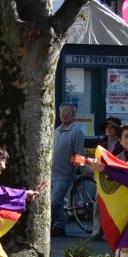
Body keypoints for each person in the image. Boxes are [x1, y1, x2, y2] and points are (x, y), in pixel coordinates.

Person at [50, 102, 86, 238]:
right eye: (62, 112)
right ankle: (59, 226)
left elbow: (79, 152)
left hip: (65, 174)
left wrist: (80, 169)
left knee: (54, 201)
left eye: (68, 112)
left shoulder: (76, 131)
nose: (65, 114)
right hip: (52, 173)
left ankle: (50, 224)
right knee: (55, 201)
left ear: (74, 115)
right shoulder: (57, 130)